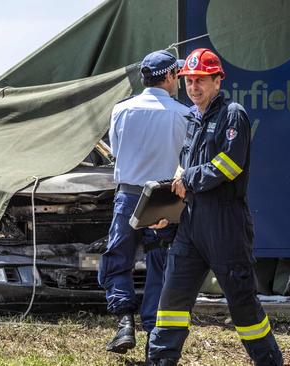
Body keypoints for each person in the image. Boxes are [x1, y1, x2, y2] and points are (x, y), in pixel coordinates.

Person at [147, 48, 284, 366]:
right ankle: (159, 360)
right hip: (192, 224)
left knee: (242, 303)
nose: (194, 87)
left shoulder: (232, 114)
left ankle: (269, 361)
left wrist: (189, 178)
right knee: (172, 300)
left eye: (201, 81)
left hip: (226, 225)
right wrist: (167, 211)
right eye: (189, 81)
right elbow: (184, 171)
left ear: (218, 80)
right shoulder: (193, 117)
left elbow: (228, 166)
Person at [98, 50, 189, 355]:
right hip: (164, 197)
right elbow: (185, 159)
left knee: (117, 259)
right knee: (160, 264)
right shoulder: (182, 114)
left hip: (129, 194)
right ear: (170, 76)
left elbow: (117, 152)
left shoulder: (121, 110)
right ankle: (153, 333)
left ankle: (124, 322)